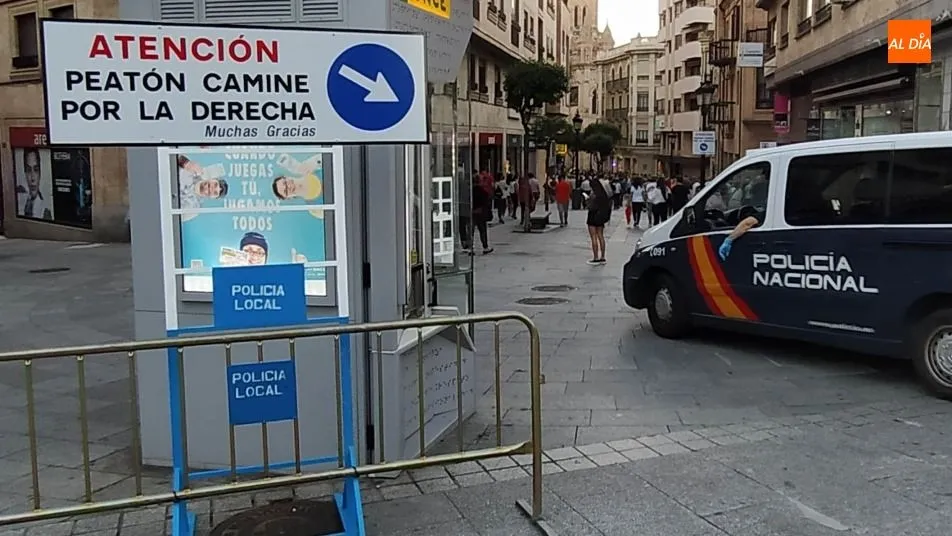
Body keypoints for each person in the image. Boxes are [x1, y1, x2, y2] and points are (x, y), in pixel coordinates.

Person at [175, 155, 229, 221]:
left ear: (213, 198)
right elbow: (172, 154)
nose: (211, 188)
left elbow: (174, 219)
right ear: (212, 179)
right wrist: (185, 163)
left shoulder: (194, 209)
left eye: (215, 192)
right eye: (215, 184)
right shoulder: (192, 169)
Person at [16, 148, 52, 220]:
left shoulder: (45, 210)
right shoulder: (20, 201)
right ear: (25, 173)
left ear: (40, 173)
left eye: (36, 170)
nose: (32, 178)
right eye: (29, 170)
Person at [586, 176, 612, 265]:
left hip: (593, 215)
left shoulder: (593, 195)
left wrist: (587, 200)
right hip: (601, 215)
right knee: (601, 236)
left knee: (593, 236)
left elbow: (590, 206)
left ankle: (596, 257)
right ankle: (603, 256)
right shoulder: (603, 194)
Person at [471, 182, 494, 254]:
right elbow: (487, 199)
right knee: (483, 230)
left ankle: (470, 248)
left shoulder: (470, 191)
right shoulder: (483, 191)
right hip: (481, 213)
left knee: (471, 232)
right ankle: (485, 247)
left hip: (472, 212)